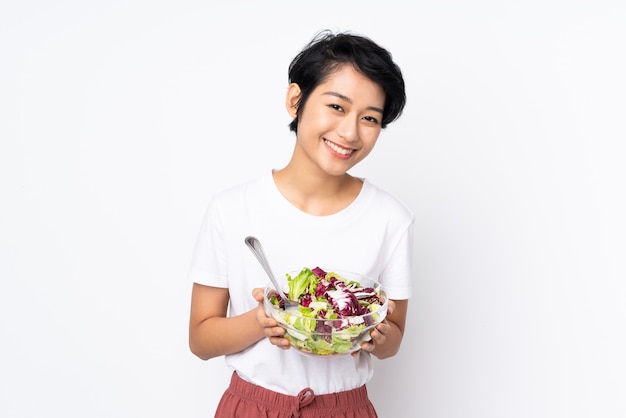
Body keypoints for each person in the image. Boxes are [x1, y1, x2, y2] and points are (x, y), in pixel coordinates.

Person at [188, 29, 413, 417]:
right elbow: (200, 339)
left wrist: (375, 335)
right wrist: (262, 321)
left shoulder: (390, 219)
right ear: (296, 100)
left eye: (370, 118)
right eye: (337, 107)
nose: (350, 132)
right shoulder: (232, 209)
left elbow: (394, 341)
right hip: (253, 407)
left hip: (345, 409)